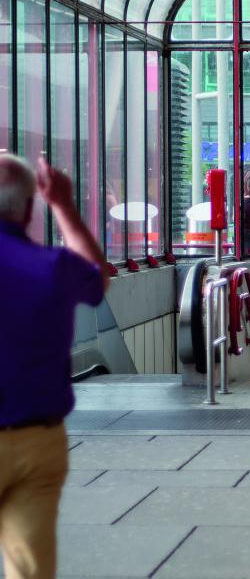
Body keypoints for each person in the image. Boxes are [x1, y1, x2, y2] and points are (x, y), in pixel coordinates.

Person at [0, 154, 108, 579]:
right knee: (30, 569)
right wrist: (63, 204)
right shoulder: (56, 267)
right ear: (30, 208)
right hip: (38, 442)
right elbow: (98, 276)